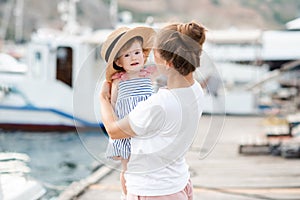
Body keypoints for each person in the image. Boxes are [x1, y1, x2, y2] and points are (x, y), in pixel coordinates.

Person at [100, 21, 206, 199]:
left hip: (153, 192)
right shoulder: (195, 90)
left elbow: (113, 130)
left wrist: (103, 98)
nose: (150, 56)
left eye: (155, 51)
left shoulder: (158, 105)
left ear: (168, 62)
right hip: (179, 183)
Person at [100, 26, 156, 199]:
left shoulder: (148, 76)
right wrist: (116, 125)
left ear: (144, 55)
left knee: (147, 164)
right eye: (127, 55)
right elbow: (115, 104)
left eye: (137, 53)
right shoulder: (118, 81)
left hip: (146, 128)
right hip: (126, 130)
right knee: (128, 167)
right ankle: (127, 194)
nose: (133, 58)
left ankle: (146, 191)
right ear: (118, 62)